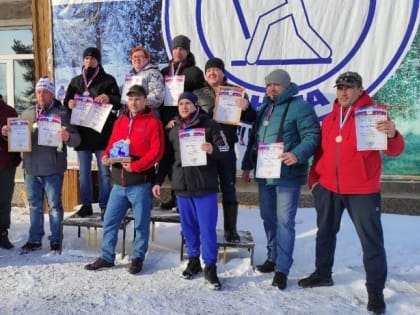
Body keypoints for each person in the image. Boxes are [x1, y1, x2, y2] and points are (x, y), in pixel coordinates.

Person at [298, 71, 405, 315]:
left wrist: (392, 134)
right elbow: (321, 152)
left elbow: (394, 151)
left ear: (360, 89)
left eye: (349, 87)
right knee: (324, 234)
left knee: (371, 242)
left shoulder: (375, 116)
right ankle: (323, 274)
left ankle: (375, 292)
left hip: (362, 190)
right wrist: (315, 180)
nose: (343, 92)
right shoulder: (330, 119)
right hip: (328, 188)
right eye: (340, 88)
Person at [242, 69, 320, 290]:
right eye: (268, 85)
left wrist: (297, 154)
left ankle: (282, 269)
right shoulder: (264, 108)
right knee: (268, 217)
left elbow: (312, 136)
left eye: (276, 84)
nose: (272, 88)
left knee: (285, 221)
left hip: (287, 175)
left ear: (287, 85)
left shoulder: (300, 107)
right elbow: (254, 140)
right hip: (265, 173)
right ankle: (272, 257)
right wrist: (248, 164)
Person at [152, 92, 229, 290]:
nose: (184, 106)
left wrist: (212, 149)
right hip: (182, 186)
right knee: (188, 228)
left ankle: (210, 265)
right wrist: (158, 181)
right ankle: (193, 259)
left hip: (205, 186)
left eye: (188, 103)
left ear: (195, 106)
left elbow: (225, 149)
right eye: (181, 104)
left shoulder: (210, 125)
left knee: (207, 229)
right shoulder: (173, 127)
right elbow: (167, 158)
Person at [85, 85, 164, 274]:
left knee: (141, 223)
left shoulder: (153, 123)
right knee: (110, 221)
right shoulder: (120, 121)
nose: (133, 102)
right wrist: (105, 156)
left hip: (140, 183)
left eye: (137, 99)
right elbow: (111, 144)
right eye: (130, 99)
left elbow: (157, 152)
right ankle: (106, 256)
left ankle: (137, 257)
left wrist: (137, 166)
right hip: (118, 184)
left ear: (145, 100)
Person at [1, 77, 80, 253]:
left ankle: (55, 240)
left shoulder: (62, 114)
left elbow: (77, 139)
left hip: (52, 168)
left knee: (54, 206)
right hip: (30, 169)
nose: (41, 95)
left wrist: (68, 137)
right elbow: (18, 138)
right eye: (38, 91)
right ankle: (35, 239)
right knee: (34, 206)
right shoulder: (27, 113)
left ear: (52, 93)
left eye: (45, 91)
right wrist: (8, 134)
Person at [194, 57, 256, 242]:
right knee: (205, 189)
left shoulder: (236, 93)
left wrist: (246, 107)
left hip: (226, 146)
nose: (212, 73)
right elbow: (187, 114)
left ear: (223, 73)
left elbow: (252, 118)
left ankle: (230, 229)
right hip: (204, 147)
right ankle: (204, 228)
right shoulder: (197, 93)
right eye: (209, 70)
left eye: (216, 70)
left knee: (229, 187)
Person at [64, 47, 121, 218]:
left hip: (102, 134)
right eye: (87, 58)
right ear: (83, 60)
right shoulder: (75, 82)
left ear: (98, 61)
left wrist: (109, 98)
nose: (89, 61)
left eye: (93, 58)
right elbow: (67, 101)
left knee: (104, 172)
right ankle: (86, 204)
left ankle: (104, 205)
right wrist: (70, 104)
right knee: (84, 173)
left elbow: (119, 102)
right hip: (82, 135)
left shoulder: (108, 80)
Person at [160, 35, 205, 210]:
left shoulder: (195, 72)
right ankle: (175, 195)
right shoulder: (164, 72)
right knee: (170, 159)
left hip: (185, 122)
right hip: (166, 120)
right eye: (175, 48)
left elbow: (200, 99)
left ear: (187, 51)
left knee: (184, 158)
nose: (178, 52)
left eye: (182, 49)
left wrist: (182, 118)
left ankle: (185, 198)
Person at [0, 94, 22, 249]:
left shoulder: (10, 112)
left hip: (5, 164)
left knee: (4, 201)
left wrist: (7, 137)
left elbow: (18, 139)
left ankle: (2, 234)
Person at [120, 46, 165, 118]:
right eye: (134, 57)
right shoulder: (130, 76)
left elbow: (157, 97)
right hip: (129, 116)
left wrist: (138, 104)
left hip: (147, 116)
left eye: (140, 56)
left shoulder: (153, 73)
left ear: (147, 59)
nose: (137, 59)